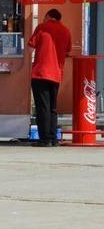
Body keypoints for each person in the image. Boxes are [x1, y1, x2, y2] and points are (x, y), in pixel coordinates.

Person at [28, 9, 72, 147]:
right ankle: (53, 139)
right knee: (53, 107)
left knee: (42, 107)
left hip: (40, 72)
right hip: (56, 74)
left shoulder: (42, 27)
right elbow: (68, 50)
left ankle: (45, 139)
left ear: (48, 16)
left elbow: (30, 48)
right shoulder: (66, 30)